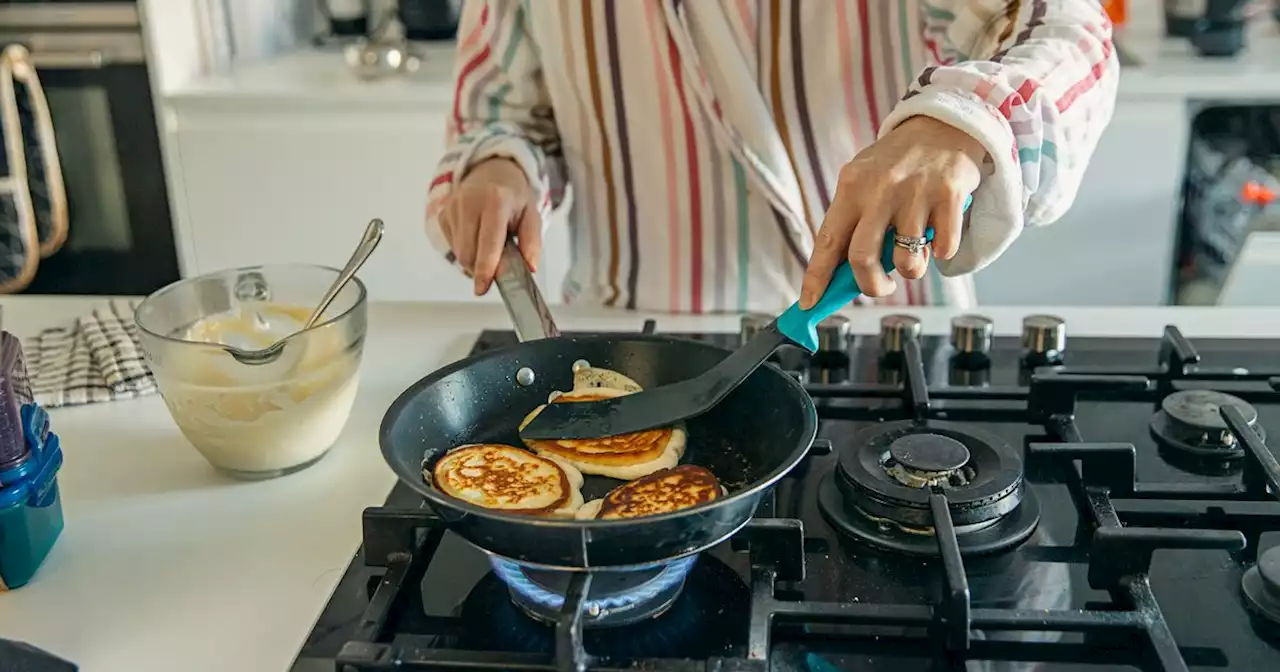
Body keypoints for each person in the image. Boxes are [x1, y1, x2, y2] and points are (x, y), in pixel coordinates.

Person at [426, 1, 1118, 313]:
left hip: (886, 329)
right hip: (633, 335)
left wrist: (960, 122)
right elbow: (501, 113)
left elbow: (1067, 28)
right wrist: (500, 166)